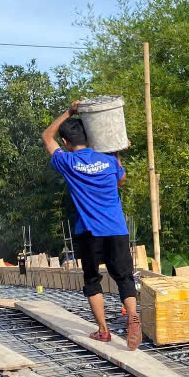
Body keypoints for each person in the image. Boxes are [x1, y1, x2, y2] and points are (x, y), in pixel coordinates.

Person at [42, 103, 140, 348]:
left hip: (89, 231)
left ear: (66, 142)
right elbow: (122, 179)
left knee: (92, 280)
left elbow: (46, 136)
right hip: (117, 228)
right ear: (89, 137)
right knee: (125, 277)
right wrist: (116, 151)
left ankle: (104, 331)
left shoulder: (68, 162)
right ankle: (133, 317)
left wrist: (68, 112)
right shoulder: (108, 161)